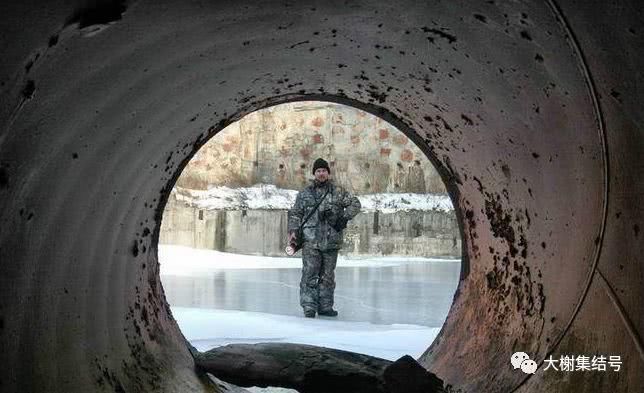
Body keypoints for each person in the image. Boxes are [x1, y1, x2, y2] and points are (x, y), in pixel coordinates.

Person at [287, 158, 361, 318]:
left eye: (324, 171)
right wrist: (293, 231)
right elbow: (295, 213)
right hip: (310, 241)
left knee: (327, 277)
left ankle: (326, 306)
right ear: (314, 173)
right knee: (309, 275)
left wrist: (343, 218)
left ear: (328, 173)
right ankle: (309, 306)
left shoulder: (338, 192)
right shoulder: (305, 194)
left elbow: (355, 204)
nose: (321, 173)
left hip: (331, 241)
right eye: (318, 171)